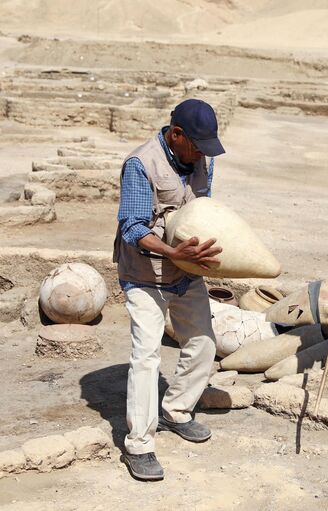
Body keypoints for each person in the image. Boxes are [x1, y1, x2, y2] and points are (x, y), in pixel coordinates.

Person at [113, 99, 225, 481]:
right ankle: (139, 446)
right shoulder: (140, 164)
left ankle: (176, 411)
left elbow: (203, 208)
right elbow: (133, 228)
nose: (202, 156)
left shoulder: (198, 158)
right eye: (197, 146)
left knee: (204, 342)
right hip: (144, 274)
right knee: (146, 355)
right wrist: (173, 251)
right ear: (176, 134)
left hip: (185, 271)